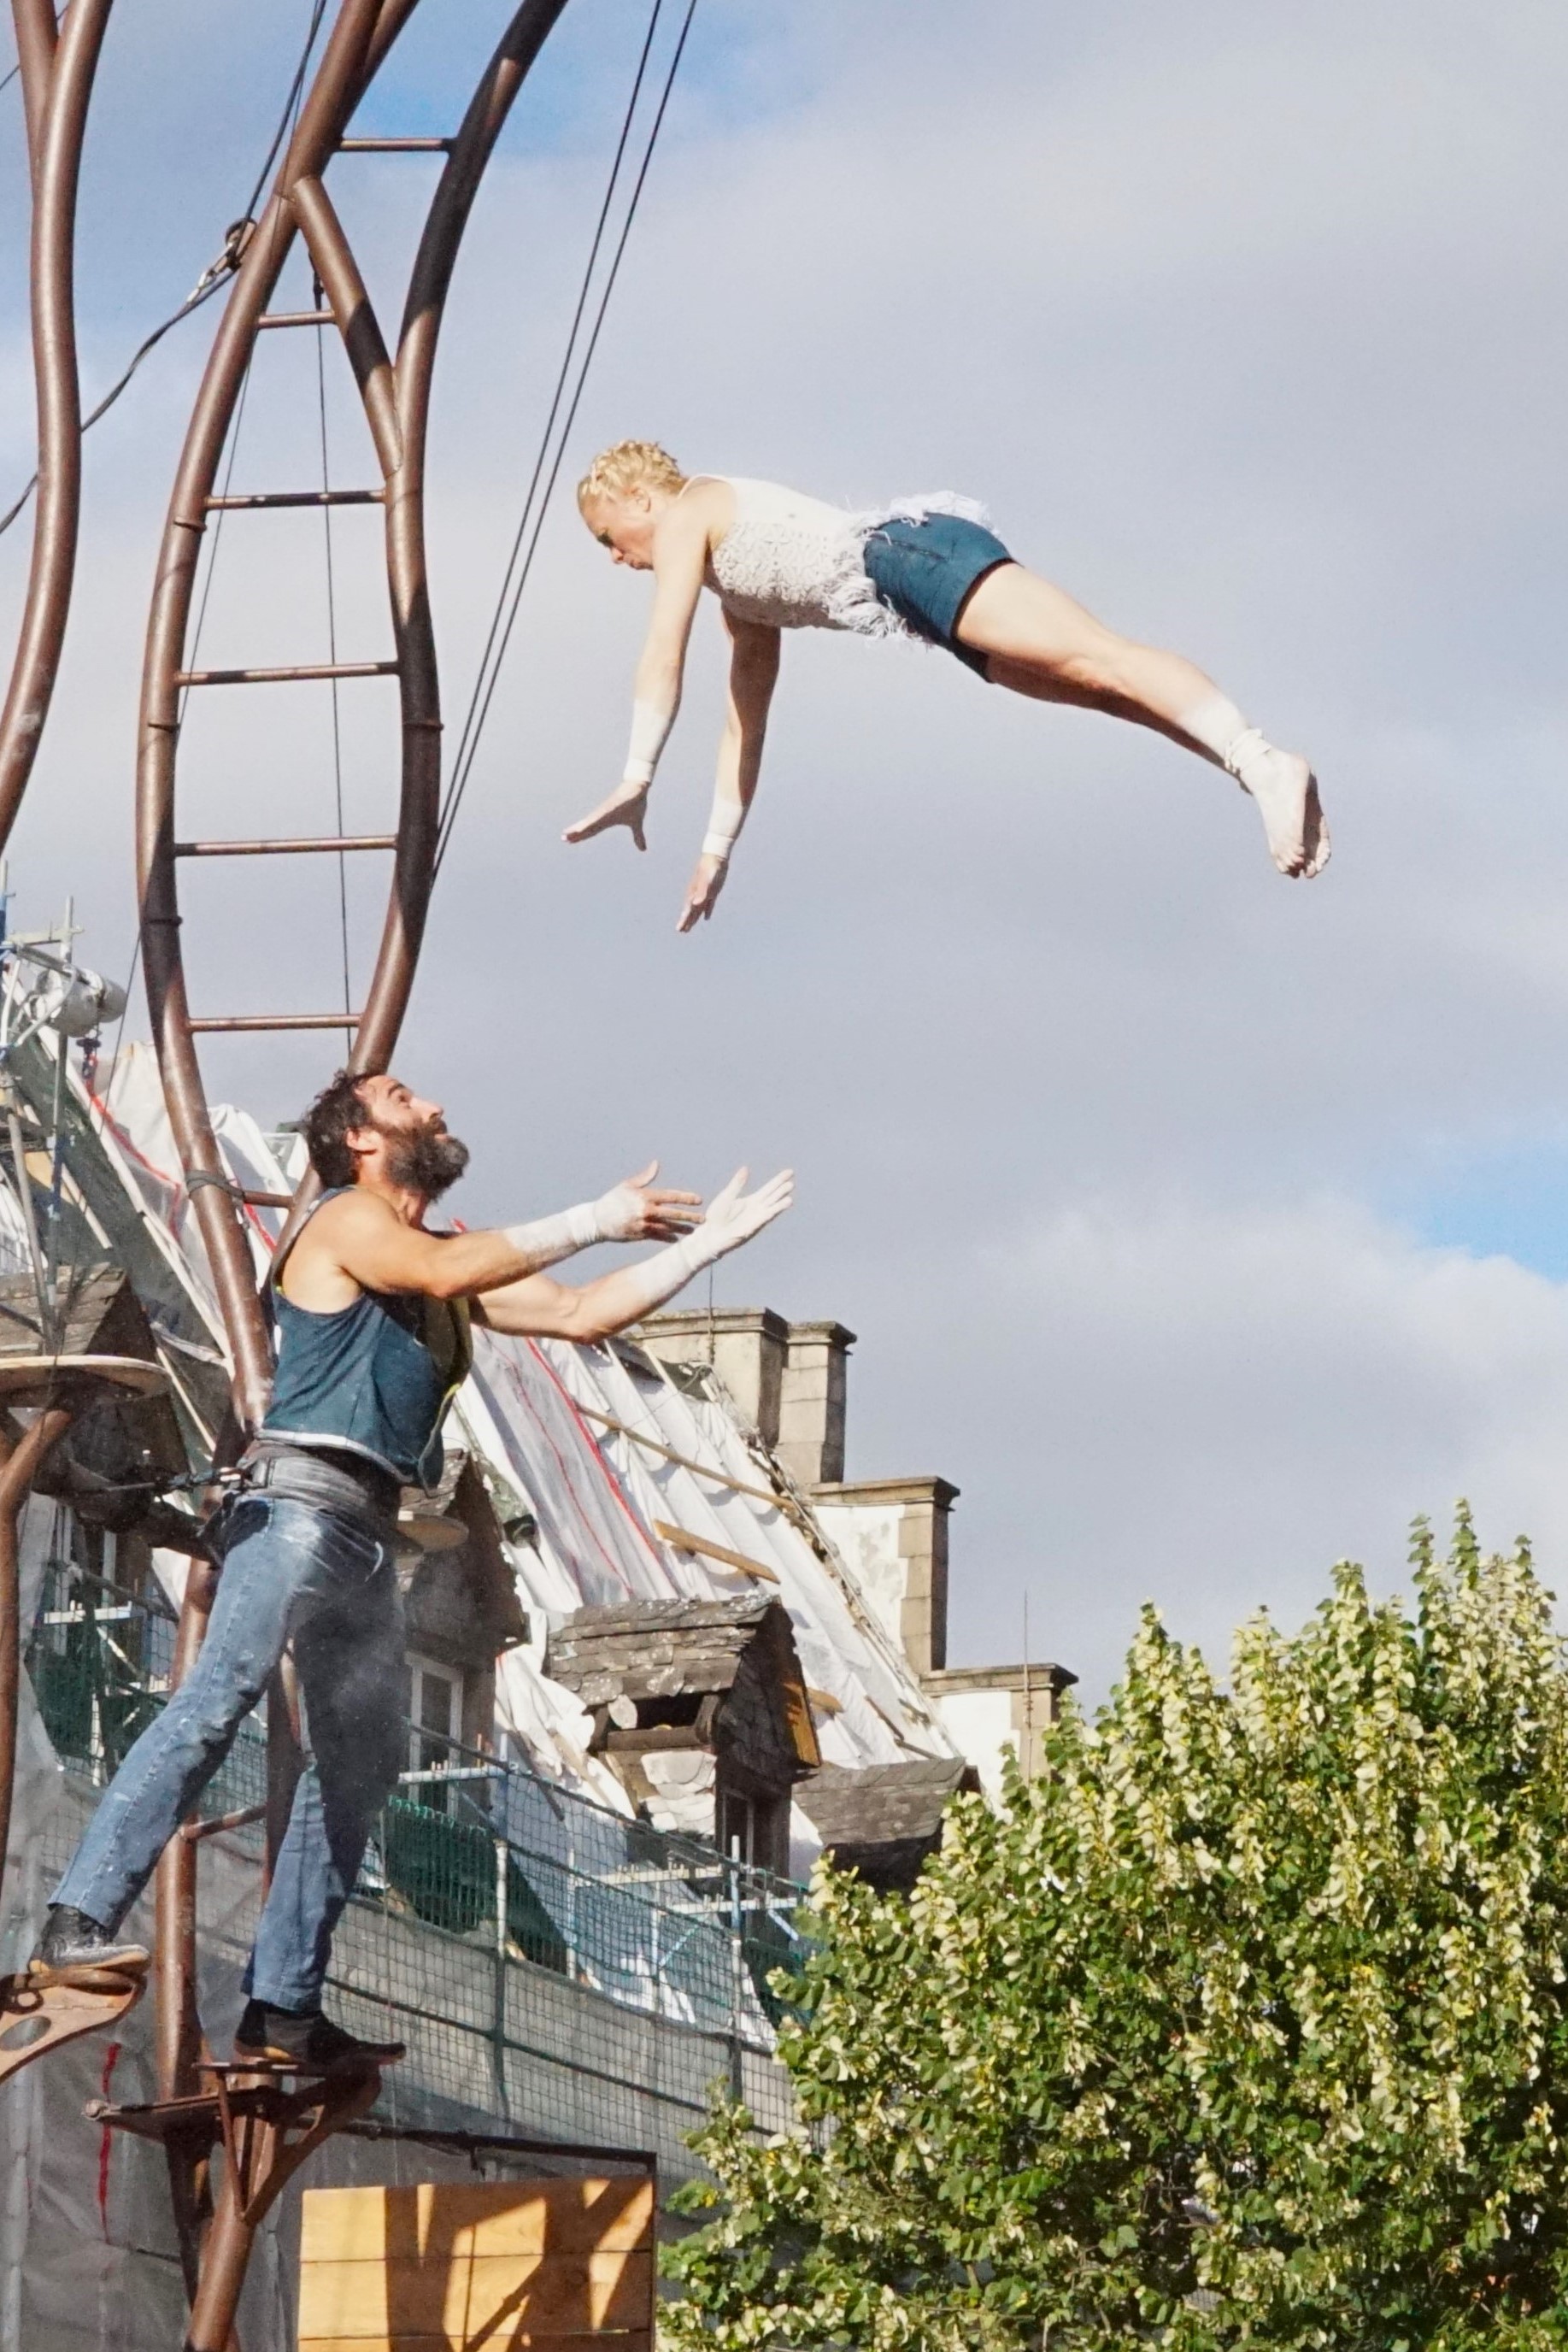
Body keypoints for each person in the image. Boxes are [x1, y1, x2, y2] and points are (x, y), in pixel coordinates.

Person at [30, 1070, 792, 2070]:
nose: (432, 1107)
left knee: (360, 1765)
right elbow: (440, 1272)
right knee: (217, 1699)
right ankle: (76, 1921)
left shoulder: (439, 1263)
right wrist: (597, 1216)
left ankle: (282, 2006)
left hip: (359, 1532)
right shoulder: (348, 1221)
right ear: (358, 1139)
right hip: (297, 1506)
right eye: (402, 1099)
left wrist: (702, 1247)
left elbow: (579, 1311)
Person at [565, 441, 1329, 932]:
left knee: (1102, 657)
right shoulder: (736, 598)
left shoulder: (689, 510)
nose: (612, 557)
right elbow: (744, 721)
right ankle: (1258, 778)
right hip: (915, 601)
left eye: (606, 536)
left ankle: (1262, 760)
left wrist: (636, 774)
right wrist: (715, 849)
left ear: (640, 500)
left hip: (913, 555)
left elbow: (663, 647)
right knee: (1105, 693)